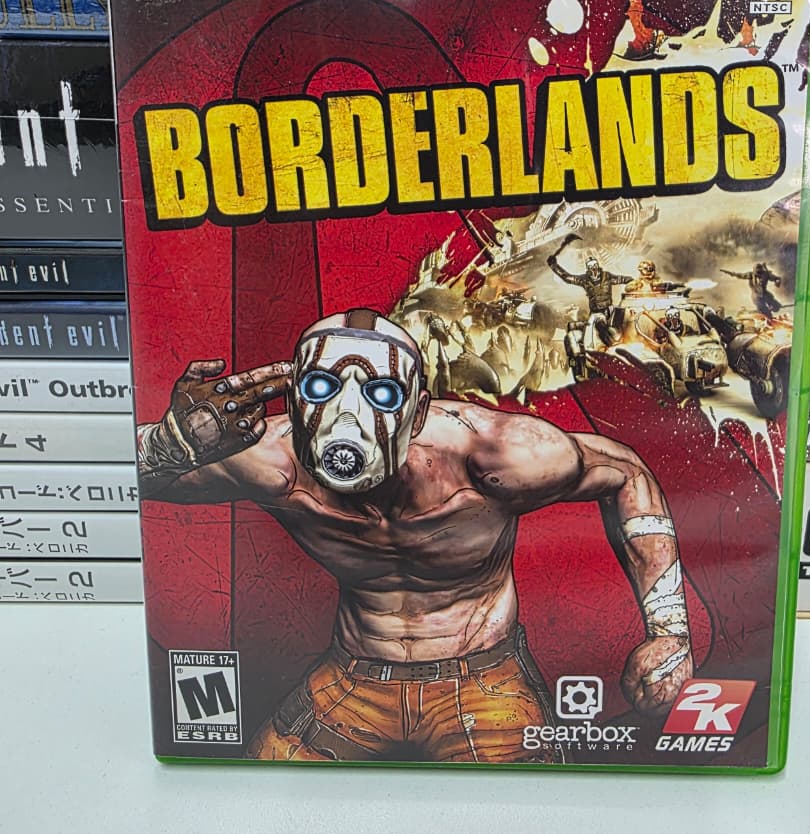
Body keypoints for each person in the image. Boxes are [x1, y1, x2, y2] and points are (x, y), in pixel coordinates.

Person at [137, 308, 692, 764]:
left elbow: (627, 472)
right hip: (352, 678)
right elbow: (128, 473)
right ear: (293, 397)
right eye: (321, 386)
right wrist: (168, 445)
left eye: (380, 394)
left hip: (484, 680)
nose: (345, 415)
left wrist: (669, 629)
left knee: (522, 823)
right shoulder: (271, 463)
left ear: (419, 410)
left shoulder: (495, 456)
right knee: (254, 804)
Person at [546, 234, 632, 347]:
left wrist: (633, 281)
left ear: (598, 266)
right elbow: (567, 278)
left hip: (610, 310)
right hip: (596, 314)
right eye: (591, 267)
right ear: (588, 269)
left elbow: (621, 279)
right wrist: (554, 266)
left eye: (595, 266)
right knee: (601, 328)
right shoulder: (584, 280)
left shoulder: (607, 276)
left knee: (623, 321)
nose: (594, 269)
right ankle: (612, 345)